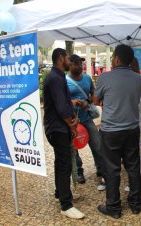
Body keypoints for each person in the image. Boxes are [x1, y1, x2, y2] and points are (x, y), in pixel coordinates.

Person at [93, 44, 141, 219]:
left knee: (112, 169)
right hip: (131, 129)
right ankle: (136, 204)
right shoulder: (138, 79)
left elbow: (96, 101)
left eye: (113, 56)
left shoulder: (104, 78)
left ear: (117, 59)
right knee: (133, 167)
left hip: (111, 131)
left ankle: (114, 207)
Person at [43, 48, 85, 219]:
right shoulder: (55, 78)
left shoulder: (58, 77)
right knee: (64, 164)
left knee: (60, 162)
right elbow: (61, 108)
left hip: (59, 128)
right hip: (58, 129)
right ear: (61, 58)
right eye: (68, 58)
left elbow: (63, 102)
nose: (70, 61)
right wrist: (72, 124)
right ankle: (66, 205)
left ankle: (60, 192)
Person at [66, 54, 105, 190]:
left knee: (97, 143)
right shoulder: (65, 80)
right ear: (69, 64)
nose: (79, 66)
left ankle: (100, 168)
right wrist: (73, 102)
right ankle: (78, 172)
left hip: (86, 118)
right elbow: (61, 100)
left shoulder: (87, 78)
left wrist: (87, 102)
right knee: (74, 148)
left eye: (80, 63)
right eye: (76, 63)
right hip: (72, 121)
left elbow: (93, 95)